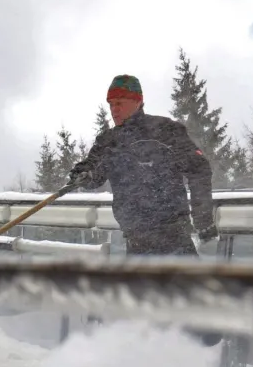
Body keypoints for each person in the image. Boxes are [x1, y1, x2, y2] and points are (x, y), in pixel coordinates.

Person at [67, 75, 216, 257]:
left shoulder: (166, 130)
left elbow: (199, 168)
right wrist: (82, 173)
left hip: (176, 243)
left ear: (138, 101)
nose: (114, 110)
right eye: (111, 104)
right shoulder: (109, 141)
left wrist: (202, 218)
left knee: (191, 286)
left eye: (119, 103)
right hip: (136, 245)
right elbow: (94, 174)